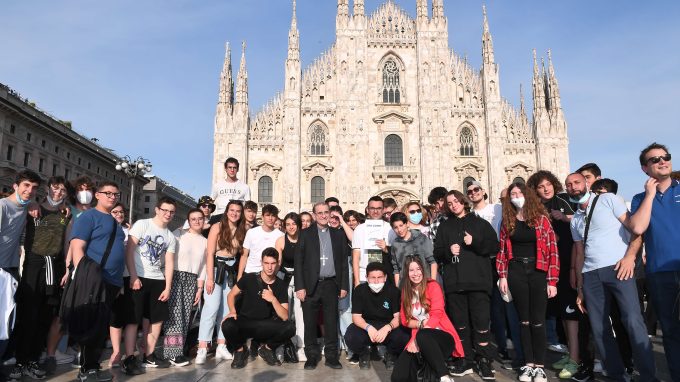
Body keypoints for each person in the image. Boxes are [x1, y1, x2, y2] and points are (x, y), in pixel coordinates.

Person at [566, 172, 657, 382]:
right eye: (568, 185)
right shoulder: (576, 219)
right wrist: (580, 287)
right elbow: (580, 253)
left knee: (633, 322)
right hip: (590, 275)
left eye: (577, 182)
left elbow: (635, 228)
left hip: (618, 269)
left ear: (587, 183)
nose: (573, 187)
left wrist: (629, 258)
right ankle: (617, 375)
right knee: (599, 328)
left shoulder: (608, 199)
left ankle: (647, 376)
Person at [496, 182, 559, 382]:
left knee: (538, 320)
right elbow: (503, 252)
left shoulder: (542, 220)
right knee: (523, 320)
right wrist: (503, 276)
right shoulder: (508, 221)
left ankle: (539, 366)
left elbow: (552, 251)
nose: (515, 196)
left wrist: (552, 281)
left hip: (538, 270)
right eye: (512, 194)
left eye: (519, 193)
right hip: (516, 271)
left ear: (527, 195)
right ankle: (528, 364)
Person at [434, 190, 499, 380]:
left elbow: (493, 247)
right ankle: (466, 359)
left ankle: (484, 361)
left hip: (478, 282)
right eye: (450, 203)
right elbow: (437, 252)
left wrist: (474, 242)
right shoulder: (444, 227)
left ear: (463, 202)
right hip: (455, 283)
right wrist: (448, 250)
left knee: (481, 324)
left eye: (456, 201)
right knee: (460, 325)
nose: (453, 205)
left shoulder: (480, 223)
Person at [628, 143, 679, 381]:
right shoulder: (640, 199)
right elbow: (638, 228)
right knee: (670, 330)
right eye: (654, 159)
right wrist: (650, 195)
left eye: (665, 157)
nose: (662, 161)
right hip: (660, 272)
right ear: (644, 168)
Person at [12, 176, 70, 379]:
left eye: (63, 190)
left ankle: (34, 360)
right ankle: (20, 361)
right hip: (33, 267)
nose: (58, 192)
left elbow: (66, 243)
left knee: (45, 317)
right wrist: (32, 203)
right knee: (28, 316)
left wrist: (67, 268)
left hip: (55, 268)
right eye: (55, 188)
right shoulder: (33, 208)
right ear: (47, 188)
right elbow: (19, 200)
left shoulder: (66, 214)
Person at [68, 181, 127, 382]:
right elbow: (77, 246)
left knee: (101, 327)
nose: (112, 197)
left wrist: (118, 284)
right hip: (93, 281)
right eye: (108, 193)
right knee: (91, 326)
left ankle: (92, 366)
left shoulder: (114, 222)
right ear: (98, 195)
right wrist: (84, 277)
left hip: (111, 283)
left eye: (115, 194)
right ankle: (86, 370)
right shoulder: (89, 217)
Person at [527, 170, 581, 379]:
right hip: (552, 267)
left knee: (571, 314)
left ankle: (577, 359)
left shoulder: (565, 200)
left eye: (548, 184)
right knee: (562, 315)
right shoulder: (538, 208)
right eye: (541, 187)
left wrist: (565, 218)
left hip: (568, 262)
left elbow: (582, 223)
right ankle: (570, 353)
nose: (546, 189)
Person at [467, 181, 522, 369]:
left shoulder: (497, 208)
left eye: (476, 190)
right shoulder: (469, 215)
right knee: (494, 309)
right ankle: (502, 348)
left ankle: (516, 347)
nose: (473, 193)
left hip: (502, 260)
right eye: (470, 191)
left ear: (483, 192)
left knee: (508, 304)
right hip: (482, 263)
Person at [122, 197, 178, 371]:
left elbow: (169, 263)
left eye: (171, 212)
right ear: (157, 209)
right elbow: (129, 251)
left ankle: (149, 355)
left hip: (158, 280)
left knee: (157, 320)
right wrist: (132, 276)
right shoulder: (142, 224)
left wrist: (167, 287)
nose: (168, 214)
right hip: (137, 276)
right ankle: (130, 357)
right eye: (165, 210)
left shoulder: (170, 237)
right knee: (133, 319)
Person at [295, 202, 350, 370]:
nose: (324, 215)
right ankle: (312, 355)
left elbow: (342, 262)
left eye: (326, 212)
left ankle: (332, 356)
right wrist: (300, 286)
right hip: (311, 284)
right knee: (310, 322)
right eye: (320, 213)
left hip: (331, 284)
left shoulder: (338, 234)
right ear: (314, 215)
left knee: (331, 321)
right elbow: (299, 262)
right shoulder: (304, 234)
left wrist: (343, 285)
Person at [391, 255, 463, 382]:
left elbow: (437, 312)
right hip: (419, 336)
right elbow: (404, 319)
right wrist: (420, 324)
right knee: (398, 375)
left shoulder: (432, 285)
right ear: (406, 273)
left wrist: (417, 338)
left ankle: (444, 377)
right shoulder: (405, 292)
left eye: (418, 269)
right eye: (411, 270)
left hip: (442, 337)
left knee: (423, 336)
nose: (416, 273)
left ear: (423, 269)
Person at [222, 247, 295, 368]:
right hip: (246, 322)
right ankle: (240, 351)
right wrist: (232, 311)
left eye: (273, 263)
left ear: (278, 263)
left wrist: (273, 299)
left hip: (266, 325)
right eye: (266, 263)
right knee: (227, 324)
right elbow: (231, 295)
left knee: (290, 328)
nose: (270, 267)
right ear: (261, 263)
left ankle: (267, 349)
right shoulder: (249, 278)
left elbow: (285, 316)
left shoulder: (281, 285)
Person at [0, 171, 41, 378]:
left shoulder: (27, 206)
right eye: (26, 185)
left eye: (34, 188)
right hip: (0, 271)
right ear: (15, 185)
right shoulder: (2, 206)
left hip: (12, 271)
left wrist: (31, 204)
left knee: (6, 321)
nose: (29, 191)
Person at [196, 200, 247, 364]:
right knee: (210, 308)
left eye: (238, 211)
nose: (235, 213)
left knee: (226, 310)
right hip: (216, 268)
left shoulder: (243, 229)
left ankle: (221, 345)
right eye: (232, 210)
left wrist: (239, 277)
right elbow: (209, 253)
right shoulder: (217, 227)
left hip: (231, 271)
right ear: (226, 211)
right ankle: (202, 347)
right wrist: (209, 278)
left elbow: (243, 255)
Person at [161, 208, 207, 366]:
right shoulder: (179, 234)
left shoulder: (205, 241)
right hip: (175, 275)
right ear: (189, 220)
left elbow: (204, 267)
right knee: (174, 315)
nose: (197, 221)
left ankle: (178, 351)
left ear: (204, 220)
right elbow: (166, 253)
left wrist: (199, 289)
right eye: (193, 219)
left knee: (186, 316)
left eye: (199, 218)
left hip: (192, 279)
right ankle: (171, 353)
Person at [344, 262, 408, 370]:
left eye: (380, 277)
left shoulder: (393, 291)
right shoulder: (359, 290)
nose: (377, 281)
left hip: (388, 326)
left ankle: (391, 354)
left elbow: (398, 317)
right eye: (373, 278)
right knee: (350, 336)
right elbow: (356, 317)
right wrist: (368, 328)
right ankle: (364, 352)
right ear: (366, 278)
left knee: (404, 336)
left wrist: (388, 327)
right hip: (366, 326)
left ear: (385, 277)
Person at [274, 212, 306, 361]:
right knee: (283, 314)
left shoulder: (305, 238)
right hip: (284, 278)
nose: (291, 227)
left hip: (301, 279)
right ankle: (280, 345)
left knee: (300, 314)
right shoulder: (280, 240)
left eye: (293, 223)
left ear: (298, 225)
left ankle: (301, 347)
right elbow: (278, 263)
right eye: (288, 224)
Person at [352, 196, 396, 286]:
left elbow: (396, 254)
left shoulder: (391, 229)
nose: (375, 211)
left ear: (383, 210)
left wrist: (386, 249)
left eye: (379, 208)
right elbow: (356, 257)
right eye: (372, 208)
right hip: (363, 277)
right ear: (367, 209)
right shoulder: (359, 229)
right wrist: (356, 282)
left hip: (384, 277)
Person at [107, 203, 130, 370]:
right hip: (112, 277)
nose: (119, 214)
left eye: (121, 212)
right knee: (114, 316)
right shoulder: (106, 229)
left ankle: (129, 350)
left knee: (127, 315)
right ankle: (116, 351)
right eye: (115, 212)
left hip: (130, 277)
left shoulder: (131, 230)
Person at [389, 212, 437, 286]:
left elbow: (432, 262)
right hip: (406, 286)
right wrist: (397, 289)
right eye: (396, 227)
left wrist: (433, 283)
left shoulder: (421, 238)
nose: (399, 229)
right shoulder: (395, 245)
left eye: (401, 225)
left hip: (424, 283)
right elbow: (397, 270)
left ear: (407, 224)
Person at [238, 204, 284, 280]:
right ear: (262, 217)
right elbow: (244, 255)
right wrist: (239, 276)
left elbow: (279, 259)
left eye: (273, 216)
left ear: (276, 218)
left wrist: (273, 275)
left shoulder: (281, 235)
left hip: (269, 275)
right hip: (250, 272)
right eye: (267, 215)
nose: (270, 218)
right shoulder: (251, 232)